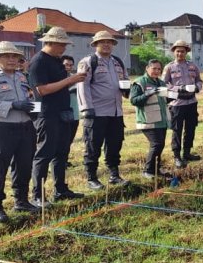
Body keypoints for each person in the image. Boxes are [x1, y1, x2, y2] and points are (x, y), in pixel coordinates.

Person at [0, 42, 38, 222]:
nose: (11, 59)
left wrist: (32, 108)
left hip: (25, 126)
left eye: (14, 56)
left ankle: (21, 200)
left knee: (24, 165)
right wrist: (11, 105)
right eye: (6, 56)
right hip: (2, 128)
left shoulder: (21, 77)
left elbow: (28, 98)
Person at [31, 27, 87, 204]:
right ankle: (38, 195)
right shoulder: (38, 61)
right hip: (47, 114)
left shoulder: (56, 60)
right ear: (51, 43)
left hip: (63, 113)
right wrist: (70, 80)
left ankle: (60, 189)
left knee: (62, 152)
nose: (64, 48)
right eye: (62, 44)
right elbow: (41, 90)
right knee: (44, 154)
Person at [77, 30, 130, 189]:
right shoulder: (88, 62)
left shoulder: (118, 62)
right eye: (102, 42)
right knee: (93, 146)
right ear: (95, 45)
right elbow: (82, 86)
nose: (106, 45)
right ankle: (91, 178)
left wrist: (127, 90)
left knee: (115, 145)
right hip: (96, 112)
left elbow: (125, 80)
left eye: (109, 42)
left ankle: (114, 175)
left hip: (116, 111)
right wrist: (87, 108)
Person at [163, 40, 203, 168]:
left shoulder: (192, 66)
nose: (180, 53)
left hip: (191, 102)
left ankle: (187, 153)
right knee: (177, 130)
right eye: (178, 51)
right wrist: (177, 89)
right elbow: (164, 83)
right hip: (177, 103)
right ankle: (177, 156)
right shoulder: (169, 67)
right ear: (174, 52)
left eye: (183, 51)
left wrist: (197, 87)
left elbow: (199, 80)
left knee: (190, 128)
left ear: (186, 52)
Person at [131, 59, 171, 179]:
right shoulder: (139, 83)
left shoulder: (161, 83)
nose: (156, 71)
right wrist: (148, 93)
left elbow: (164, 100)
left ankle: (156, 169)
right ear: (147, 68)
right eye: (154, 68)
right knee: (156, 144)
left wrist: (174, 96)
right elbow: (134, 101)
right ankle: (148, 171)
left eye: (159, 69)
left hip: (161, 120)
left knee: (161, 144)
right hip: (148, 120)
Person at [61, 55, 80, 167]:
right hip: (63, 114)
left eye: (71, 65)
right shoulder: (57, 78)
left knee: (69, 140)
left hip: (75, 114)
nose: (68, 67)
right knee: (61, 140)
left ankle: (65, 160)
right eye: (66, 64)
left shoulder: (75, 77)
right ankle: (59, 161)